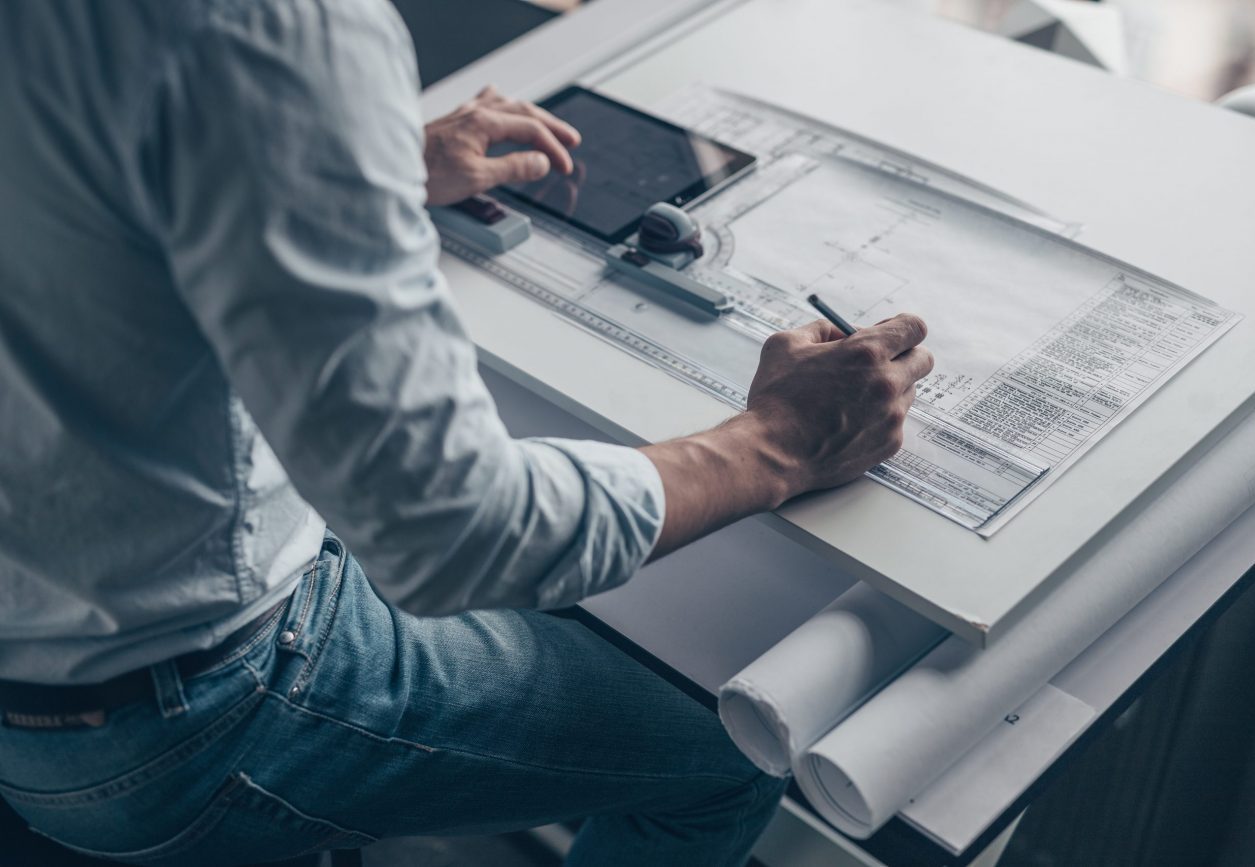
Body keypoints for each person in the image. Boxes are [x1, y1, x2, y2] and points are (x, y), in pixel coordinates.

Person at [0, 2, 933, 865]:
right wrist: (781, 440)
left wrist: (321, 163)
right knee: (729, 748)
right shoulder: (266, 28)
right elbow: (461, 537)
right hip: (173, 716)